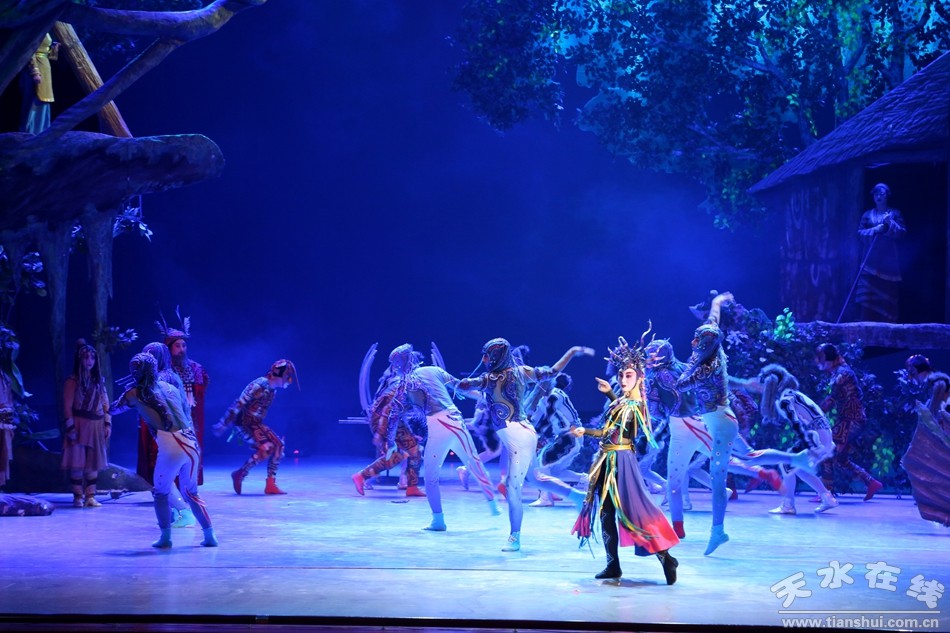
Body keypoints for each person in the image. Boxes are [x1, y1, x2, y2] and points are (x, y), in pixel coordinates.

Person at [456, 339, 595, 552]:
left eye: (487, 355)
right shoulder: (520, 372)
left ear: (495, 356)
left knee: (513, 487)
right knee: (536, 479)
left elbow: (465, 386)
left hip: (517, 437)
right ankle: (577, 497)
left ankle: (515, 537)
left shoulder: (490, 378)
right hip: (525, 433)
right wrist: (572, 351)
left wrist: (453, 383)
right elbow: (552, 371)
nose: (484, 360)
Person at [570, 333, 679, 584]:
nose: (622, 379)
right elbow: (618, 413)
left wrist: (585, 431)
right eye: (620, 375)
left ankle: (666, 558)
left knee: (635, 513)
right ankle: (613, 565)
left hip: (620, 463)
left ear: (640, 377)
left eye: (628, 375)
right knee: (606, 512)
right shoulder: (624, 401)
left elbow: (611, 432)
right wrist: (610, 393)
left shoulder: (635, 405)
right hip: (607, 460)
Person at [111, 353, 217, 548]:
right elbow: (186, 412)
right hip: (192, 443)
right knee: (192, 493)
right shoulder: (170, 388)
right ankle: (210, 536)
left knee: (160, 493)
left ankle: (165, 538)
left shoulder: (134, 393)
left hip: (171, 446)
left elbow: (113, 410)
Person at [675, 292, 738, 555]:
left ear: (706, 343)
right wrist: (717, 302)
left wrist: (676, 365)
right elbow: (713, 321)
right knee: (733, 463)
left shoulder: (706, 368)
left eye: (697, 339)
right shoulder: (713, 348)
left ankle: (718, 531)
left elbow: (680, 385)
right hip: (715, 421)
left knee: (717, 479)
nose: (693, 342)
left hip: (721, 424)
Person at [730, 364, 838, 514]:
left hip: (816, 437)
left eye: (763, 385)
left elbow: (797, 425)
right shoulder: (792, 394)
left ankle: (788, 505)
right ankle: (827, 498)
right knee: (798, 469)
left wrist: (810, 445)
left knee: (787, 464)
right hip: (823, 436)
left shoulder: (785, 400)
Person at [132, 342, 198, 527]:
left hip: (169, 434)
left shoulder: (161, 378)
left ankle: (183, 511)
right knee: (168, 477)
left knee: (163, 478)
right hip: (179, 432)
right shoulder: (171, 375)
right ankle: (175, 512)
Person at [214, 359, 298, 495]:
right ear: (280, 373)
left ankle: (270, 484)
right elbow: (239, 403)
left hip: (254, 423)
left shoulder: (272, 390)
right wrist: (224, 423)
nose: (289, 380)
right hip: (243, 423)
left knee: (278, 445)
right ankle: (240, 473)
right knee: (267, 448)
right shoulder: (259, 385)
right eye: (287, 375)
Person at [352, 345, 426, 498]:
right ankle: (362, 476)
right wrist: (382, 435)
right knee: (405, 452)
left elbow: (400, 412)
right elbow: (389, 410)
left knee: (409, 452)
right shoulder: (403, 384)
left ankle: (410, 487)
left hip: (389, 419)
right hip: (383, 419)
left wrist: (409, 433)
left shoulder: (407, 381)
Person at [814, 343, 882, 500]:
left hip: (851, 421)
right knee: (841, 459)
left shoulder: (842, 374)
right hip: (851, 420)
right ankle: (871, 482)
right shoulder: (841, 371)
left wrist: (813, 415)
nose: (819, 362)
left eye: (821, 358)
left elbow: (830, 400)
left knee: (827, 451)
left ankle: (826, 493)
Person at [157, 312, 210, 485]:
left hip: (189, 416)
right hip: (170, 415)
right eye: (178, 346)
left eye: (184, 345)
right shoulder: (162, 370)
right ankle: (167, 483)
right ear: (169, 348)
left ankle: (189, 483)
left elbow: (202, 388)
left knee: (191, 447)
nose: (182, 349)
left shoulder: (195, 368)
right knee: (172, 449)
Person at [61, 340, 111, 508]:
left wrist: (107, 423)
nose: (89, 361)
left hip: (96, 425)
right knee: (77, 461)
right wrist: (70, 427)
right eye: (86, 357)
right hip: (79, 424)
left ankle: (90, 496)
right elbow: (67, 406)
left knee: (93, 462)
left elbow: (105, 404)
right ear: (80, 360)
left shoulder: (99, 381)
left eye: (92, 358)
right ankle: (78, 496)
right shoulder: (72, 381)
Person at [526, 372, 583, 507]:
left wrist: (535, 436)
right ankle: (589, 481)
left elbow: (546, 419)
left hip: (571, 435)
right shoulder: (543, 400)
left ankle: (546, 498)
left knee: (542, 464)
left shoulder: (555, 395)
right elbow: (534, 420)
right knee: (555, 472)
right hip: (566, 437)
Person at [855, 183, 906, 322]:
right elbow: (859, 234)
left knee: (888, 299)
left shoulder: (895, 213)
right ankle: (865, 327)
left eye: (881, 194)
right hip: (870, 262)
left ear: (887, 196)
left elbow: (902, 233)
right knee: (867, 300)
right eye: (876, 194)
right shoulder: (867, 215)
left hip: (888, 264)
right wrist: (874, 230)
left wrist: (890, 224)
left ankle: (889, 327)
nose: (878, 196)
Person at [19, 33, 59, 134]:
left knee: (43, 100)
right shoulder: (37, 31)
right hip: (35, 69)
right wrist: (35, 72)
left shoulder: (46, 31)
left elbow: (49, 55)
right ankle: (28, 131)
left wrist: (54, 48)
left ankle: (41, 130)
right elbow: (30, 52)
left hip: (44, 68)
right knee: (33, 99)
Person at [905, 354, 949, 430]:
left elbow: (938, 412)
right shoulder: (930, 384)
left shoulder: (936, 382)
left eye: (910, 371)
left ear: (914, 370)